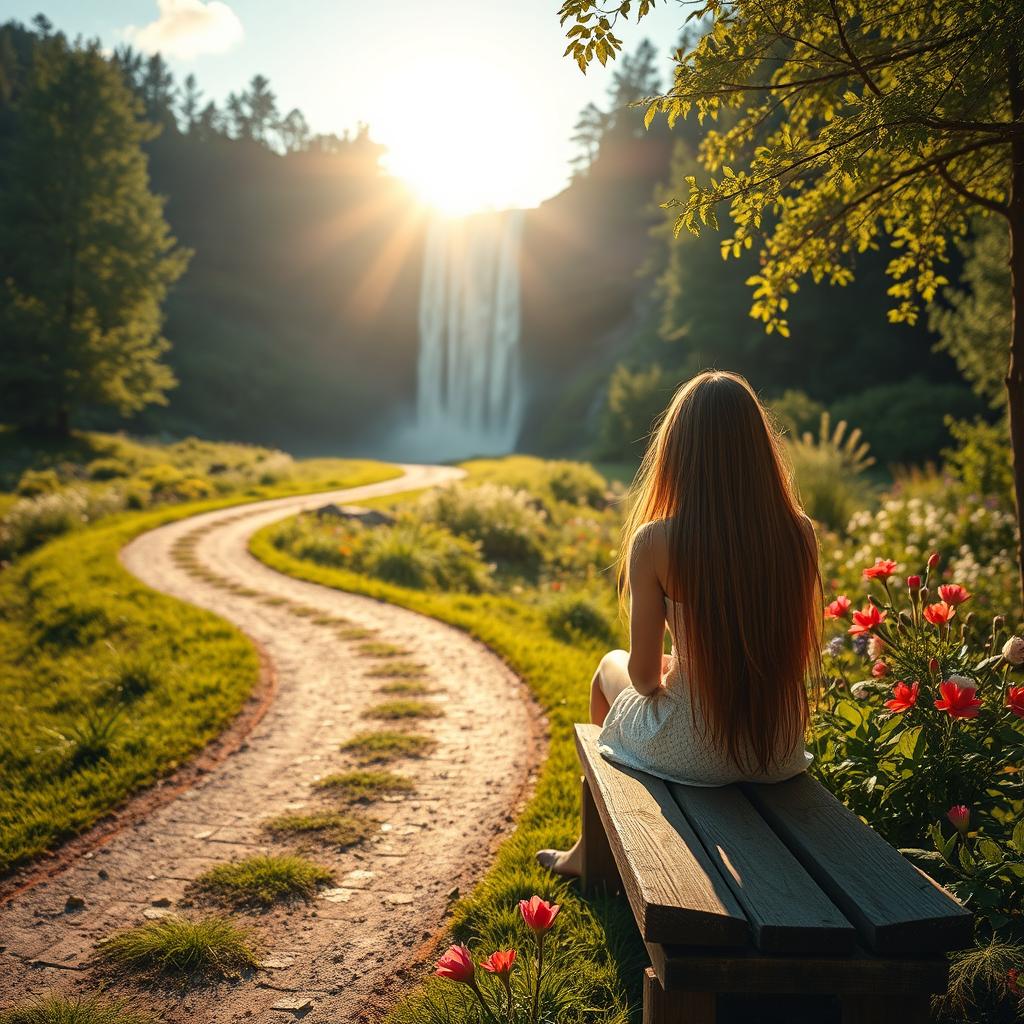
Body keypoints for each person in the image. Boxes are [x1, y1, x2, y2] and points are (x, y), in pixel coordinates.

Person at [538, 371, 821, 877]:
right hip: (777, 747)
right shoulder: (799, 535)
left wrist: (678, 670)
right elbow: (786, 655)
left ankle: (591, 853)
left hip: (697, 748)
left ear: (679, 452)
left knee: (609, 668)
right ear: (760, 450)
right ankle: (594, 849)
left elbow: (645, 680)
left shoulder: (658, 542)